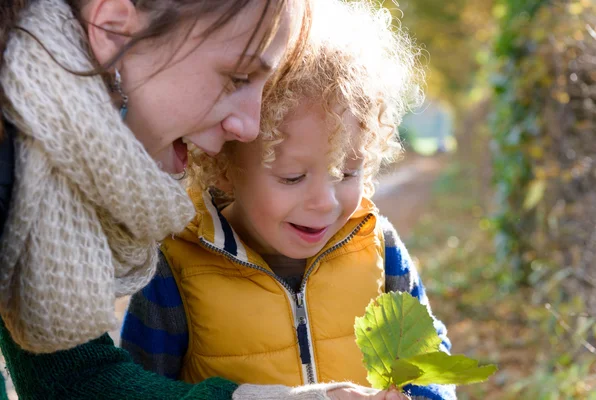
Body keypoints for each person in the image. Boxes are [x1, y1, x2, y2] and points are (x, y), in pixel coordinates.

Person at [0, 0, 405, 398]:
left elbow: (75, 379)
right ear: (111, 29)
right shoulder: (22, 179)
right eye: (237, 77)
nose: (249, 125)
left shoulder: (42, 189)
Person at [122, 1, 456, 399]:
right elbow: (141, 389)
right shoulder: (177, 265)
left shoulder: (378, 247)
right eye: (292, 177)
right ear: (224, 164)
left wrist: (419, 395)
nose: (325, 202)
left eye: (345, 173)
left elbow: (429, 357)